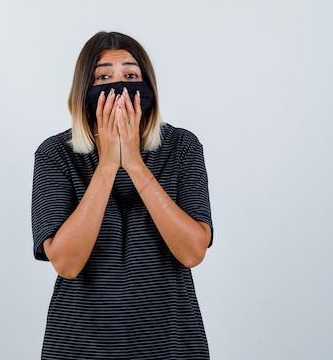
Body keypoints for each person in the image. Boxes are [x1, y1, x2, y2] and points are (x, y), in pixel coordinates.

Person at [31, 31, 214, 359]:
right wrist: (107, 166)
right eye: (103, 77)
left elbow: (192, 252)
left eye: (131, 75)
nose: (119, 87)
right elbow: (67, 263)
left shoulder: (182, 147)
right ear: (84, 90)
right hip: (78, 345)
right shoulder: (55, 154)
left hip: (170, 342)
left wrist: (132, 162)